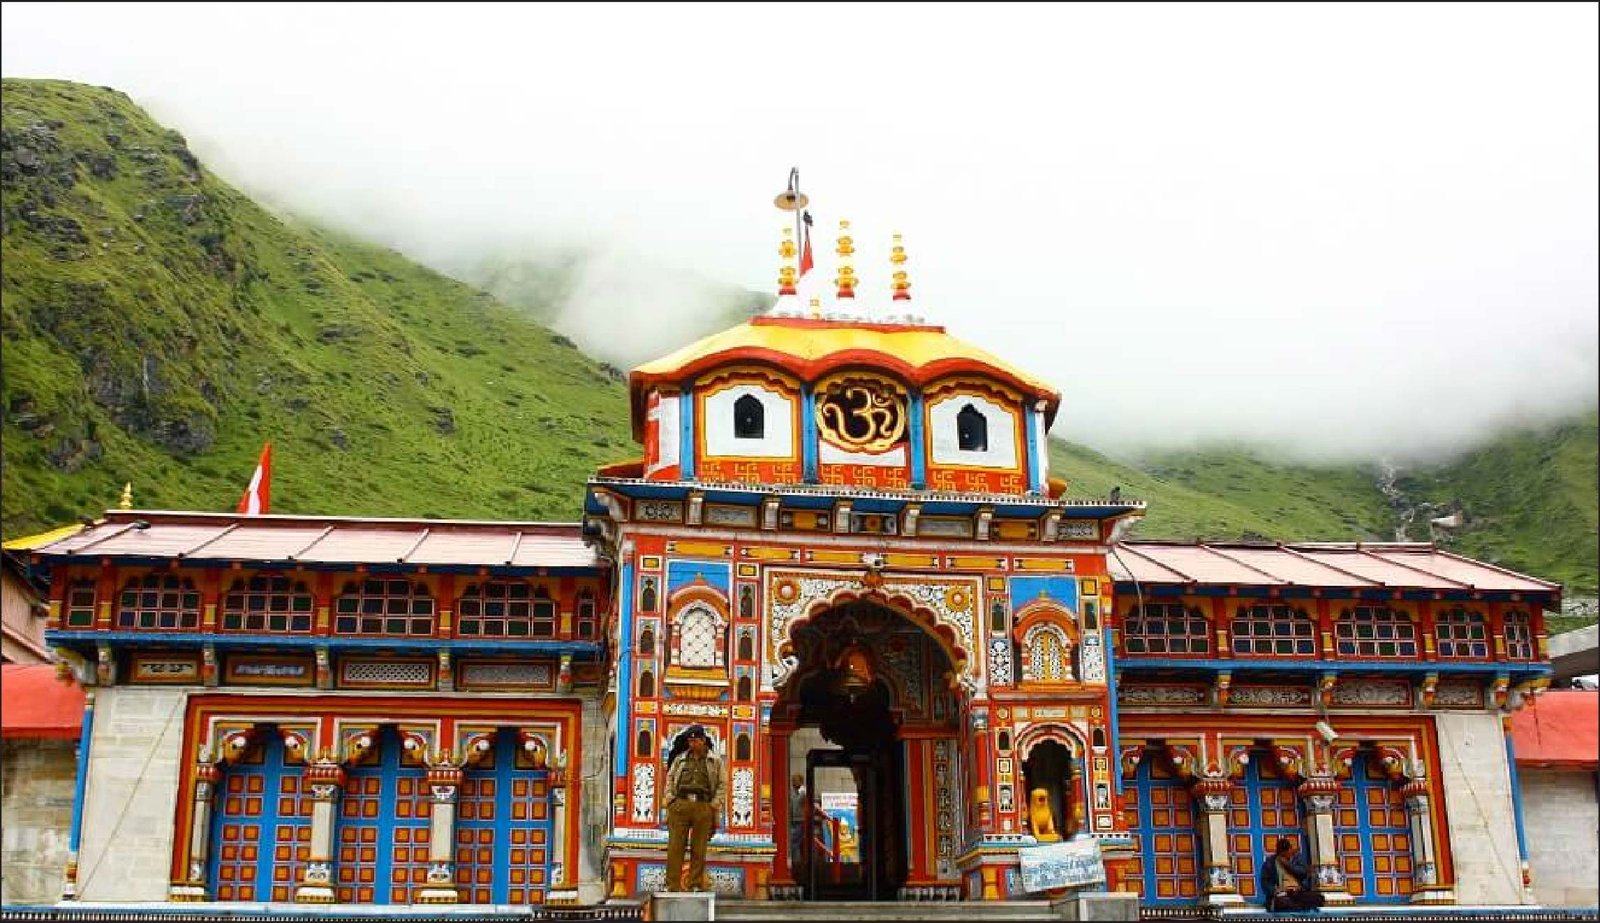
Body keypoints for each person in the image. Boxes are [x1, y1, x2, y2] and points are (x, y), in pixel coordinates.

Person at [663, 725, 724, 892]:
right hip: (680, 804)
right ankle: (672, 885)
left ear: (703, 741)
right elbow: (669, 779)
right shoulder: (680, 759)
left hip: (703, 805)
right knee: (675, 847)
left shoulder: (715, 761)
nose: (692, 743)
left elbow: (722, 784)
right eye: (690, 740)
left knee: (699, 848)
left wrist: (714, 805)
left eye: (695, 740)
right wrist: (670, 800)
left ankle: (695, 884)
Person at [1260, 837, 1325, 912]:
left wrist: (1289, 865)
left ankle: (1298, 906)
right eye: (1282, 855)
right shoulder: (1270, 863)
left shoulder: (1297, 858)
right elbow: (1265, 881)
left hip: (1298, 892)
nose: (1285, 857)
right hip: (1282, 894)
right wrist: (1275, 891)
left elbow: (1303, 872)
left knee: (1319, 898)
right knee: (1283, 902)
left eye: (1287, 854)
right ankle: (1299, 907)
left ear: (1290, 849)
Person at [787, 773, 807, 868]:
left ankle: (797, 863)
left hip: (799, 820)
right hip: (791, 820)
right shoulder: (792, 792)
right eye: (792, 780)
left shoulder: (803, 792)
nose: (793, 782)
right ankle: (795, 862)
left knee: (794, 843)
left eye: (795, 780)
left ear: (801, 781)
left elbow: (799, 802)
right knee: (793, 843)